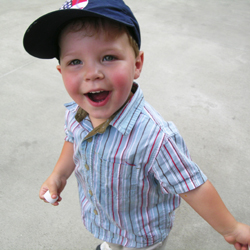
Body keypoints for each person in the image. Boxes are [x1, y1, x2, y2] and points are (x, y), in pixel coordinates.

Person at [23, 0, 250, 249]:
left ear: (137, 64)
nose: (92, 73)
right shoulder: (77, 113)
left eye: (108, 57)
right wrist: (58, 175)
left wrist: (231, 228)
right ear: (60, 71)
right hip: (107, 219)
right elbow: (73, 140)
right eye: (75, 62)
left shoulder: (154, 137)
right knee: (112, 242)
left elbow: (192, 186)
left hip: (140, 233)